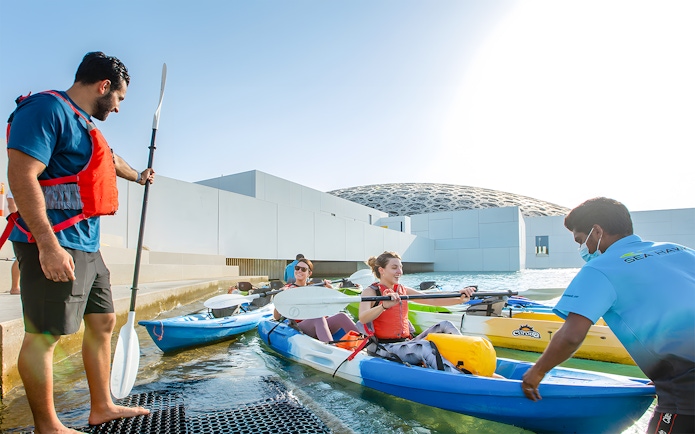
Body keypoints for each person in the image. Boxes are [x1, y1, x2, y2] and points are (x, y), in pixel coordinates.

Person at [6, 52, 153, 433]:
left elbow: (110, 160)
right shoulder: (45, 109)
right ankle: (47, 426)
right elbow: (22, 174)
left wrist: (139, 176)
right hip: (53, 241)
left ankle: (102, 406)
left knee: (103, 321)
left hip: (86, 243)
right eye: (119, 99)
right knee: (45, 335)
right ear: (104, 86)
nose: (118, 108)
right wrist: (47, 245)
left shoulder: (83, 123)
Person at [521, 197, 694, 433]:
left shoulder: (600, 268)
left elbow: (571, 335)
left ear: (597, 231)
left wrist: (536, 372)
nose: (583, 249)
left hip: (686, 392)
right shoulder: (680, 250)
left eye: (581, 241)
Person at [358, 251, 477, 373]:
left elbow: (433, 300)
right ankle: (457, 376)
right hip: (384, 348)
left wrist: (459, 298)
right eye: (394, 268)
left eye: (400, 267)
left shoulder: (403, 290)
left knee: (446, 325)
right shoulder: (371, 292)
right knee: (423, 347)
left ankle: (469, 362)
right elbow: (363, 318)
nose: (400, 272)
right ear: (381, 270)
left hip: (406, 343)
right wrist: (383, 306)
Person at [274, 257, 360, 343]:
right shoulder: (288, 289)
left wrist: (330, 289)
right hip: (301, 325)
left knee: (342, 316)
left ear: (309, 273)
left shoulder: (314, 288)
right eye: (297, 268)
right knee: (318, 318)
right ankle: (331, 348)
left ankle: (363, 343)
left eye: (303, 269)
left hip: (320, 323)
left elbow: (335, 302)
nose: (299, 271)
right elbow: (276, 317)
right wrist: (281, 297)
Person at [6, 189, 20, 294]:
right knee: (19, 257)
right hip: (20, 225)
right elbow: (11, 205)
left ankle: (16, 287)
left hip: (21, 224)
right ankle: (14, 287)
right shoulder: (15, 185)